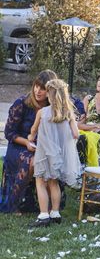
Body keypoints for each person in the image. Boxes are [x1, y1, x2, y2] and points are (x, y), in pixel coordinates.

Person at [1, 70, 58, 213]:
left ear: (50, 91)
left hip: (43, 147)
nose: (38, 91)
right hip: (19, 146)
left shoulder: (53, 109)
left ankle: (50, 208)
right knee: (31, 161)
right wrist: (27, 142)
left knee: (51, 161)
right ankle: (16, 203)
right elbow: (9, 133)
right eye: (36, 86)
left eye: (43, 88)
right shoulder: (21, 103)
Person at [27, 79, 81, 227]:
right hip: (59, 155)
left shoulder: (42, 113)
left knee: (40, 181)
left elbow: (33, 130)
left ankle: (44, 215)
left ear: (50, 96)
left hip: (44, 154)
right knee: (54, 182)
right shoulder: (68, 113)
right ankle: (55, 213)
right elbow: (76, 134)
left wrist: (30, 138)